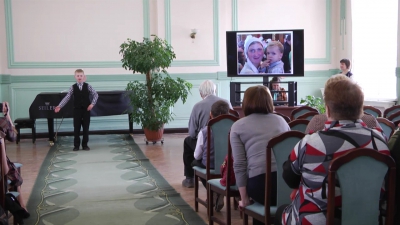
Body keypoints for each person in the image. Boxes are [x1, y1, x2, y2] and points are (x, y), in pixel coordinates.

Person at [276, 76, 390, 225]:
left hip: (317, 220)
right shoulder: (380, 142)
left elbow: (289, 176)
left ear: (328, 110)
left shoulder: (311, 143)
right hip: (368, 220)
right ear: (361, 109)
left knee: (281, 212)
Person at [230, 85, 290, 225]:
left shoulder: (238, 126)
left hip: (260, 187)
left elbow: (239, 164)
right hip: (287, 185)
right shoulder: (281, 121)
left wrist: (244, 199)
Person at [182, 80, 232, 188]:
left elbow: (192, 132)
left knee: (187, 141)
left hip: (206, 145)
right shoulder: (226, 103)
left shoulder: (198, 106)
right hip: (228, 145)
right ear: (215, 90)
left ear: (201, 94)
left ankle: (190, 179)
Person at [191, 100, 230, 211]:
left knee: (194, 162)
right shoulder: (234, 129)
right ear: (228, 113)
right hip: (228, 165)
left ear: (211, 114)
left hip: (211, 166)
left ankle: (212, 191)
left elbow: (197, 155)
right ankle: (219, 191)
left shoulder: (205, 131)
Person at [54, 69, 98, 151]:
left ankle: (85, 145)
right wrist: (59, 106)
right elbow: (67, 97)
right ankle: (76, 145)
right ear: (75, 77)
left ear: (84, 77)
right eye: (78, 76)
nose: (79, 77)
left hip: (86, 110)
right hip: (77, 110)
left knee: (86, 128)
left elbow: (95, 94)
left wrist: (92, 104)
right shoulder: (72, 87)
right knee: (76, 128)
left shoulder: (88, 86)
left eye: (81, 76)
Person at [0, 102, 30, 219]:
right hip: (2, 165)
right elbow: (13, 137)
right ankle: (21, 206)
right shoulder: (2, 122)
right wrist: (7, 115)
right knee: (11, 173)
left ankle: (20, 206)